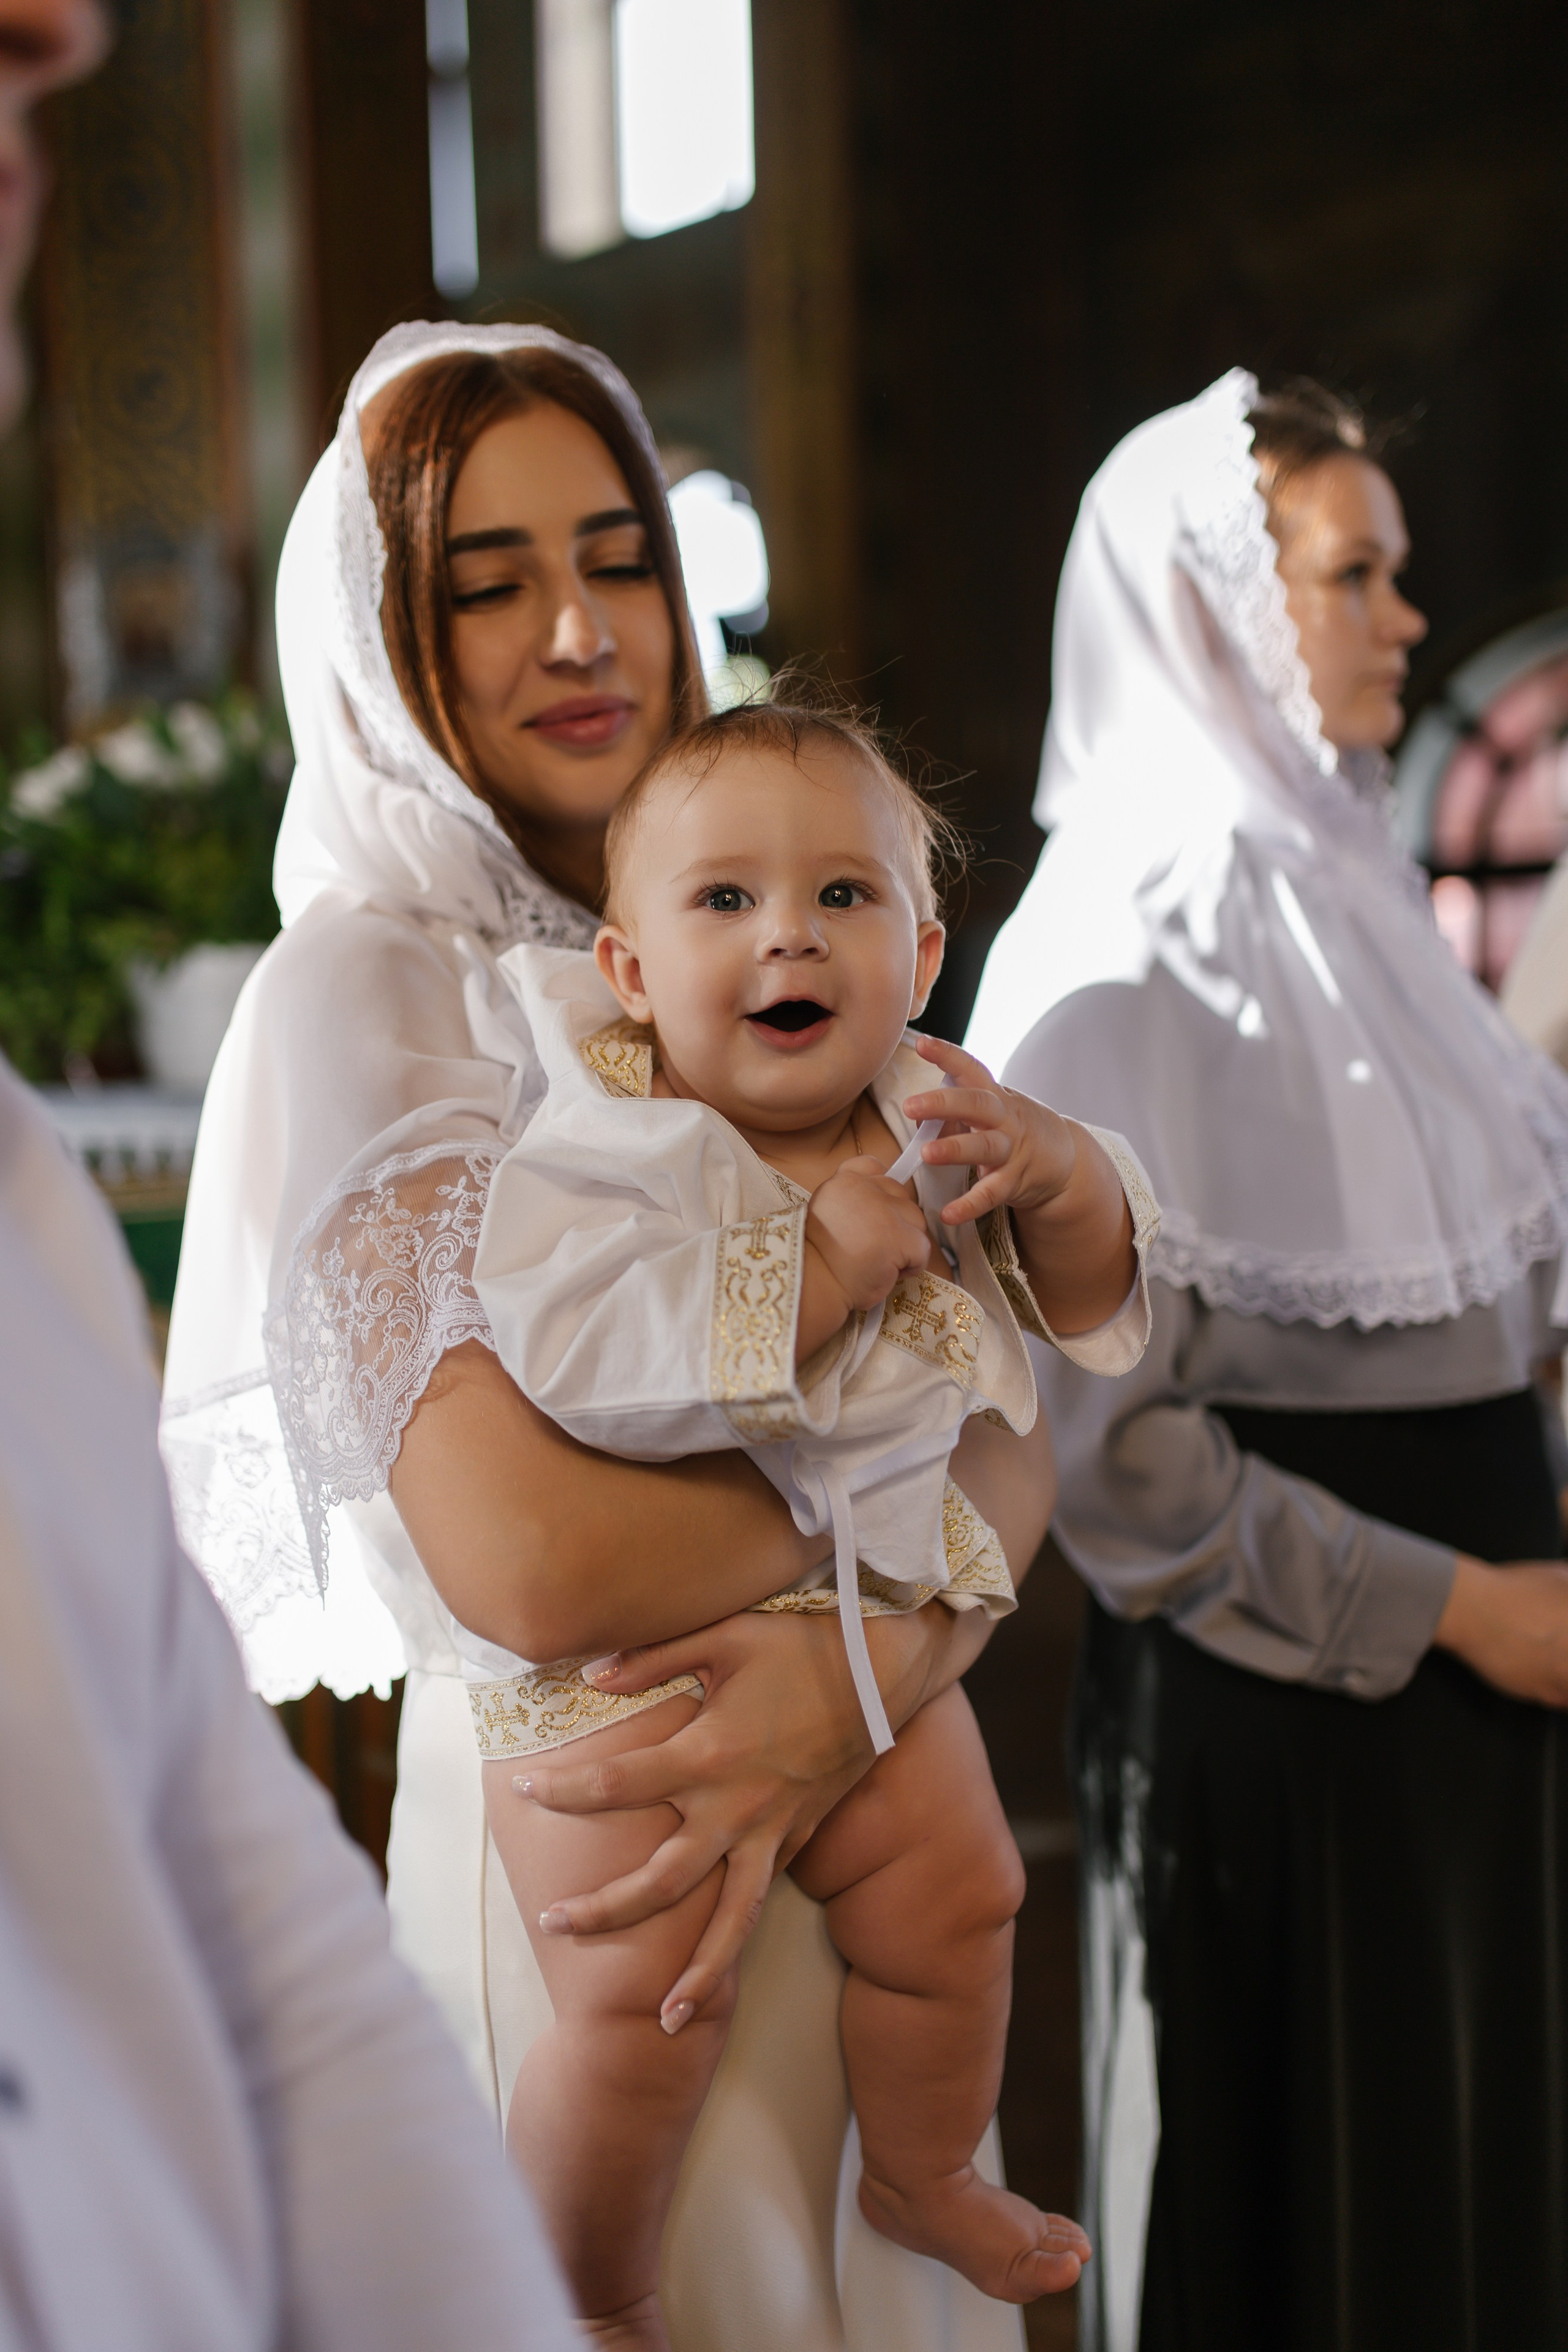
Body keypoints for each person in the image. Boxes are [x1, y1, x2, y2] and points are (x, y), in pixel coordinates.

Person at [163, 320, 1065, 2352]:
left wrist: (874, 1675)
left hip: (863, 1798)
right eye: (486, 586)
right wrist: (882, 1555)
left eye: (621, 558)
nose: (579, 629)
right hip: (600, 1866)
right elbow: (537, 1557)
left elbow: (1017, 1404)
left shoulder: (772, 918)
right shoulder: (367, 993)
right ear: (388, 636)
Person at [0, 9, 578, 2346]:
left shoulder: (21, 1203)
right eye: (493, 575)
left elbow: (264, 1958)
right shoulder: (345, 992)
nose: (64, 37)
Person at [966, 371, 1568, 2352]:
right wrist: (1464, 1605)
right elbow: (1119, 1467)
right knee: (1309, 2227)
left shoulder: (1362, 903)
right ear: (1214, 601)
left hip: (1491, 1704)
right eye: (1354, 575)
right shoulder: (1118, 942)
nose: (1406, 618)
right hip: (1298, 1713)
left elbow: (1493, 1295)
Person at [469, 698, 1159, 2340]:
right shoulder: (605, 1148)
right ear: (630, 972)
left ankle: (921, 2170)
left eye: (844, 898)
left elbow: (1081, 1314)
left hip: (864, 1648)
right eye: (725, 902)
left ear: (922, 959)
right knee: (639, 2006)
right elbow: (574, 1358)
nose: (791, 932)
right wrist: (821, 1272)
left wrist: (1063, 1178)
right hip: (632, 1672)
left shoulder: (936, 1124)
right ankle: (586, 2289)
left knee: (970, 1894)